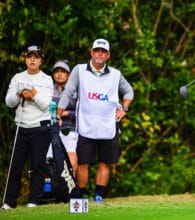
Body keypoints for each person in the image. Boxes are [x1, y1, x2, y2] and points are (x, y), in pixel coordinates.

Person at [57, 38, 134, 203]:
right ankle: (80, 197)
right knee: (83, 164)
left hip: (108, 125)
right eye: (97, 50)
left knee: (104, 163)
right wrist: (59, 110)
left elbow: (129, 91)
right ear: (91, 52)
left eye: (103, 51)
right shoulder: (79, 70)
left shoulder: (115, 74)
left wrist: (124, 108)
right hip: (86, 125)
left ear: (108, 55)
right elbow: (68, 92)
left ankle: (98, 196)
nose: (100, 54)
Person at [3, 45, 53, 209]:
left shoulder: (46, 79)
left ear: (41, 60)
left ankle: (34, 201)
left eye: (36, 57)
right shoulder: (17, 78)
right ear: (25, 59)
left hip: (40, 128)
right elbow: (9, 102)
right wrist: (18, 94)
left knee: (37, 166)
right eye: (29, 56)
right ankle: (9, 202)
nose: (32, 59)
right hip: (22, 126)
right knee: (15, 166)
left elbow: (45, 105)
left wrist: (33, 94)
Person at [51, 60, 78, 177]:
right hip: (50, 130)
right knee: (50, 164)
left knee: (71, 164)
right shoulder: (48, 90)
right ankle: (54, 193)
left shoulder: (75, 91)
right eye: (57, 71)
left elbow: (81, 113)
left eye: (63, 71)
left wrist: (65, 113)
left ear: (68, 74)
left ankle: (72, 193)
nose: (59, 74)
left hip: (69, 130)